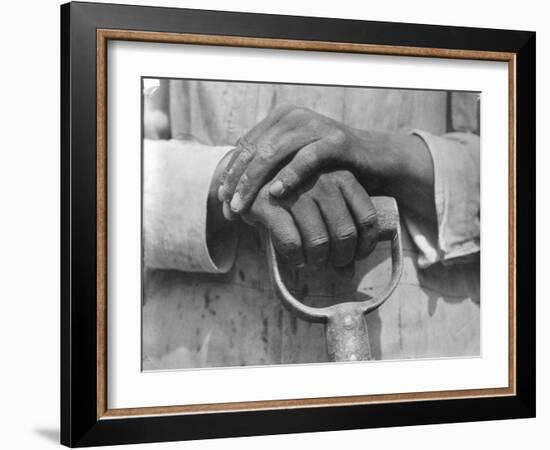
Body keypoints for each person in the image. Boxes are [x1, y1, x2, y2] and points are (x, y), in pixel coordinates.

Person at [142, 79, 480, 369]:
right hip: (202, 350)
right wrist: (234, 177)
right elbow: (104, 161)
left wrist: (377, 153)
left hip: (422, 343)